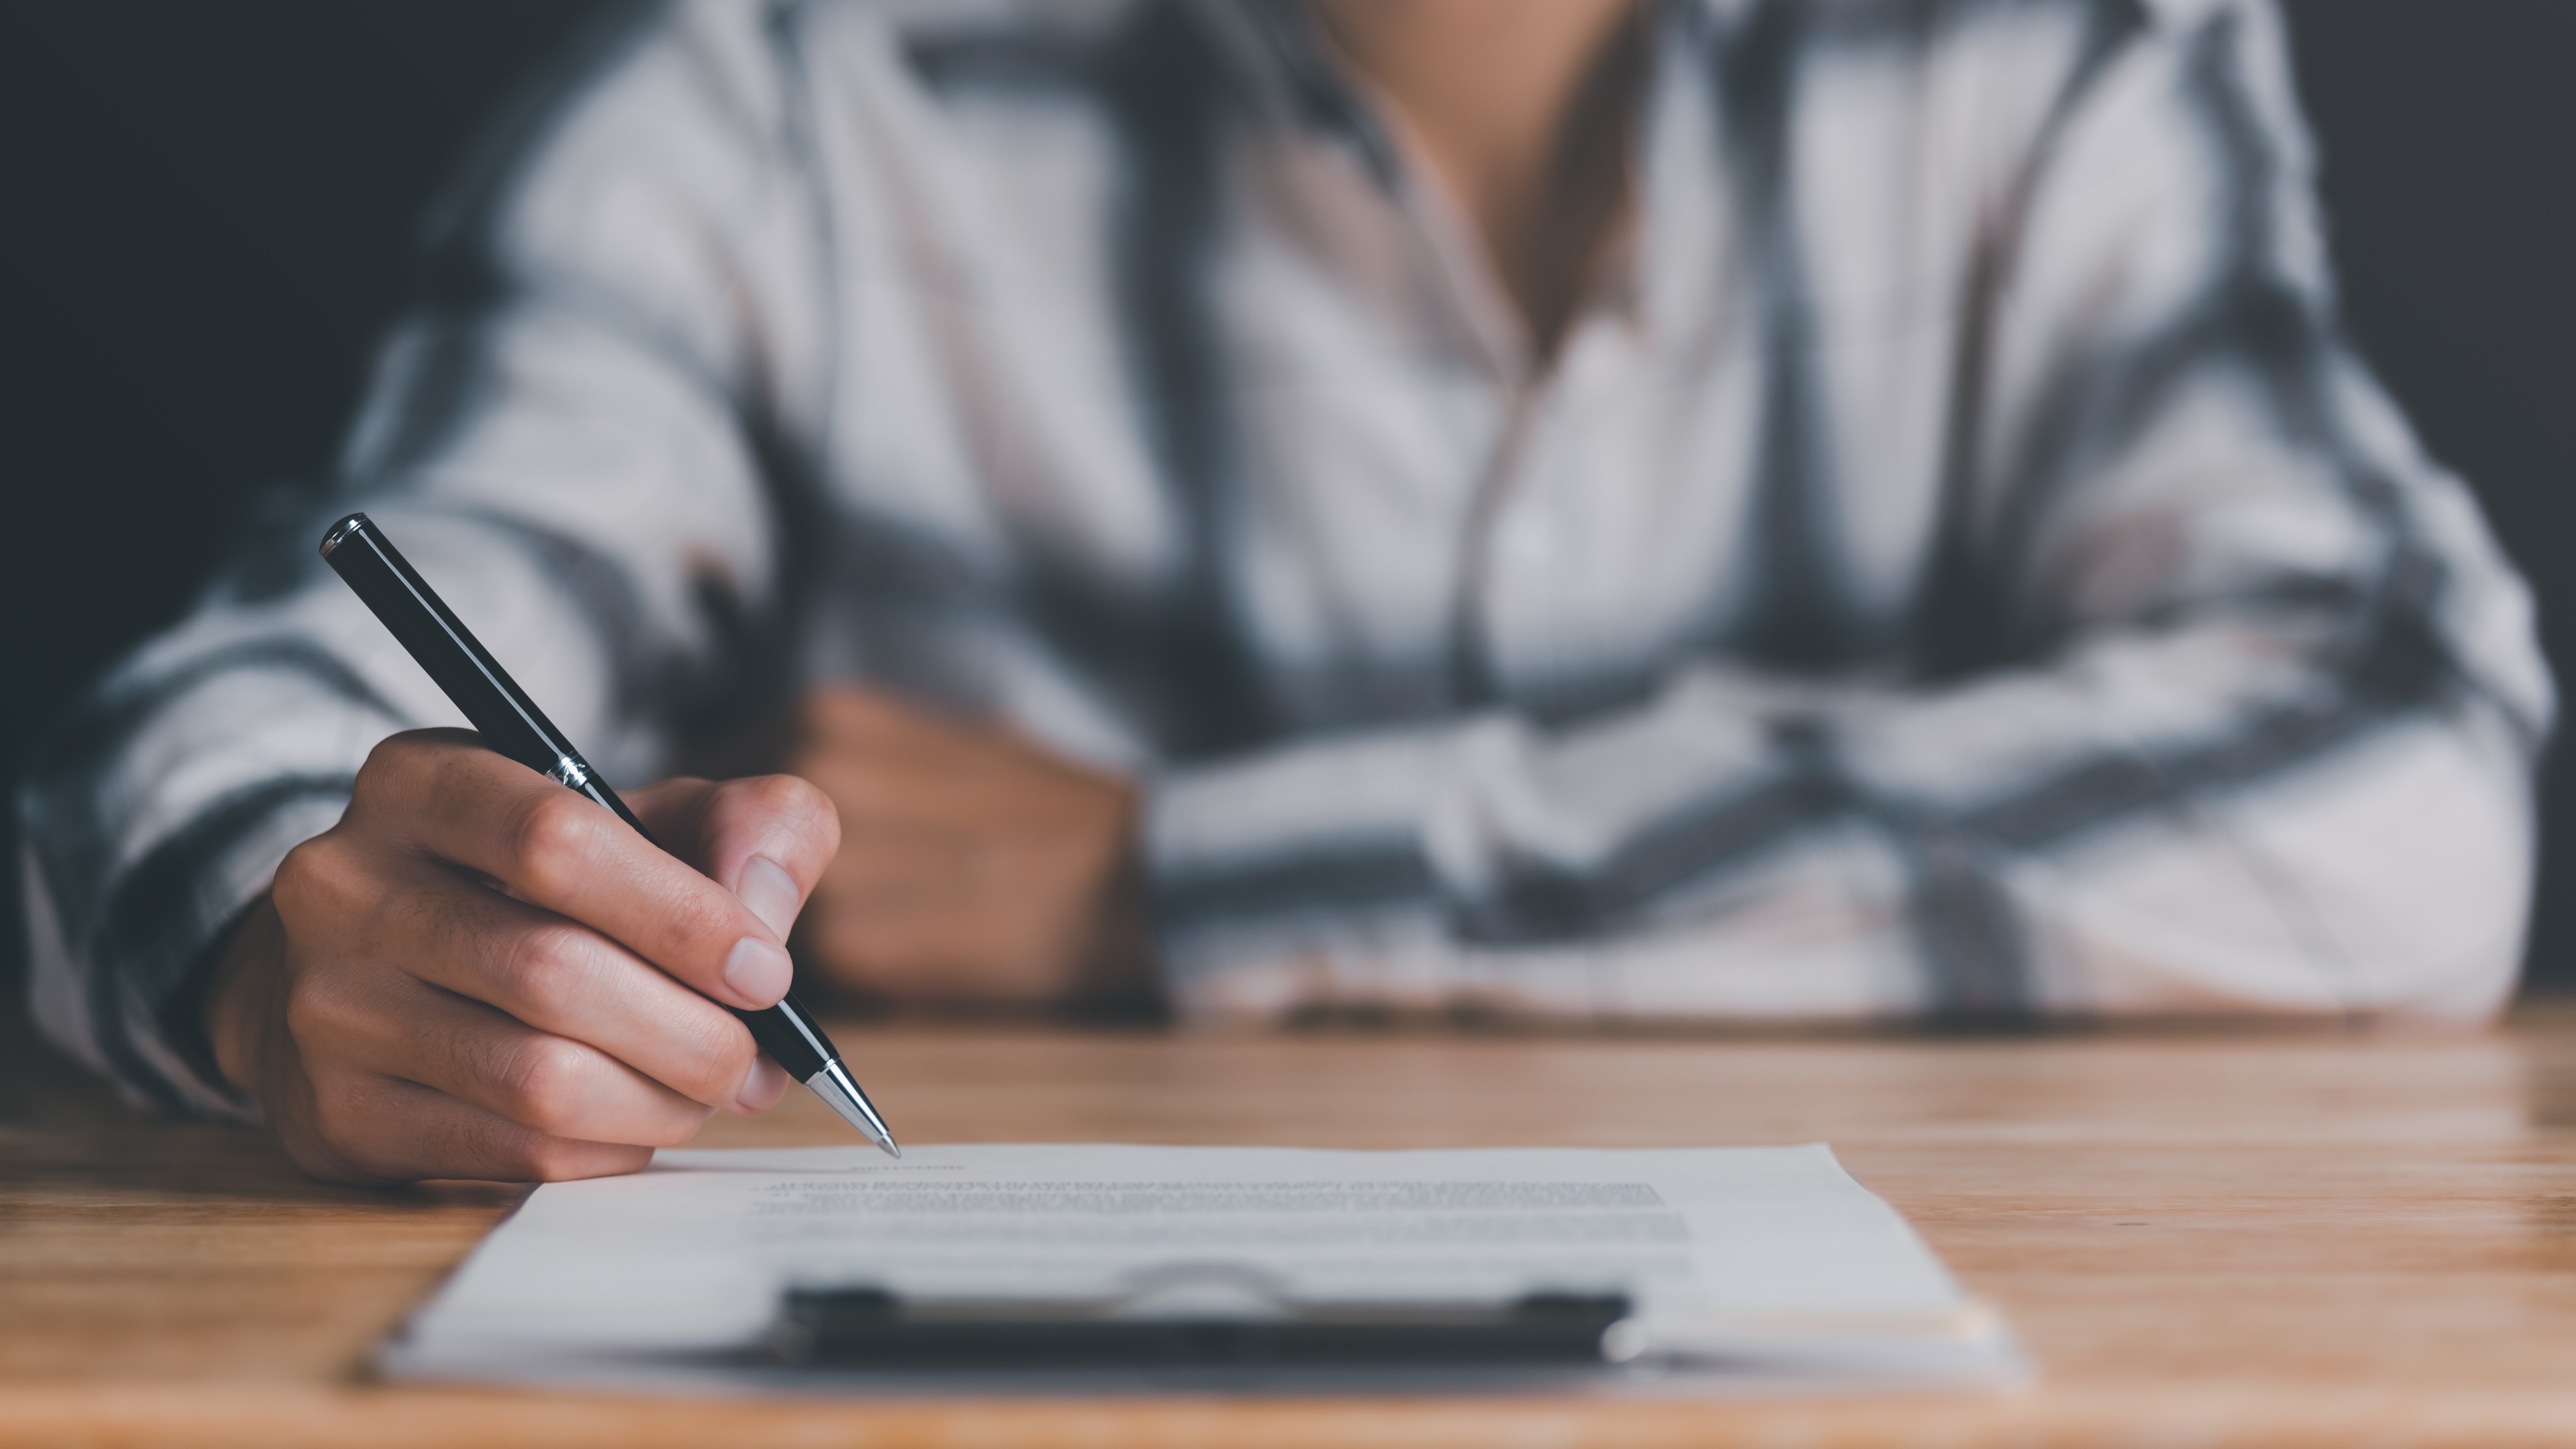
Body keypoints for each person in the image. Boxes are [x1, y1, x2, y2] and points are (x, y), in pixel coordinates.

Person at [18, 0, 2549, 1185]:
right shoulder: (779, 90)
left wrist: (1181, 863)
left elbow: (2407, 771)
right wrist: (292, 957)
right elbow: (265, 717)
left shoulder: (2059, 58)